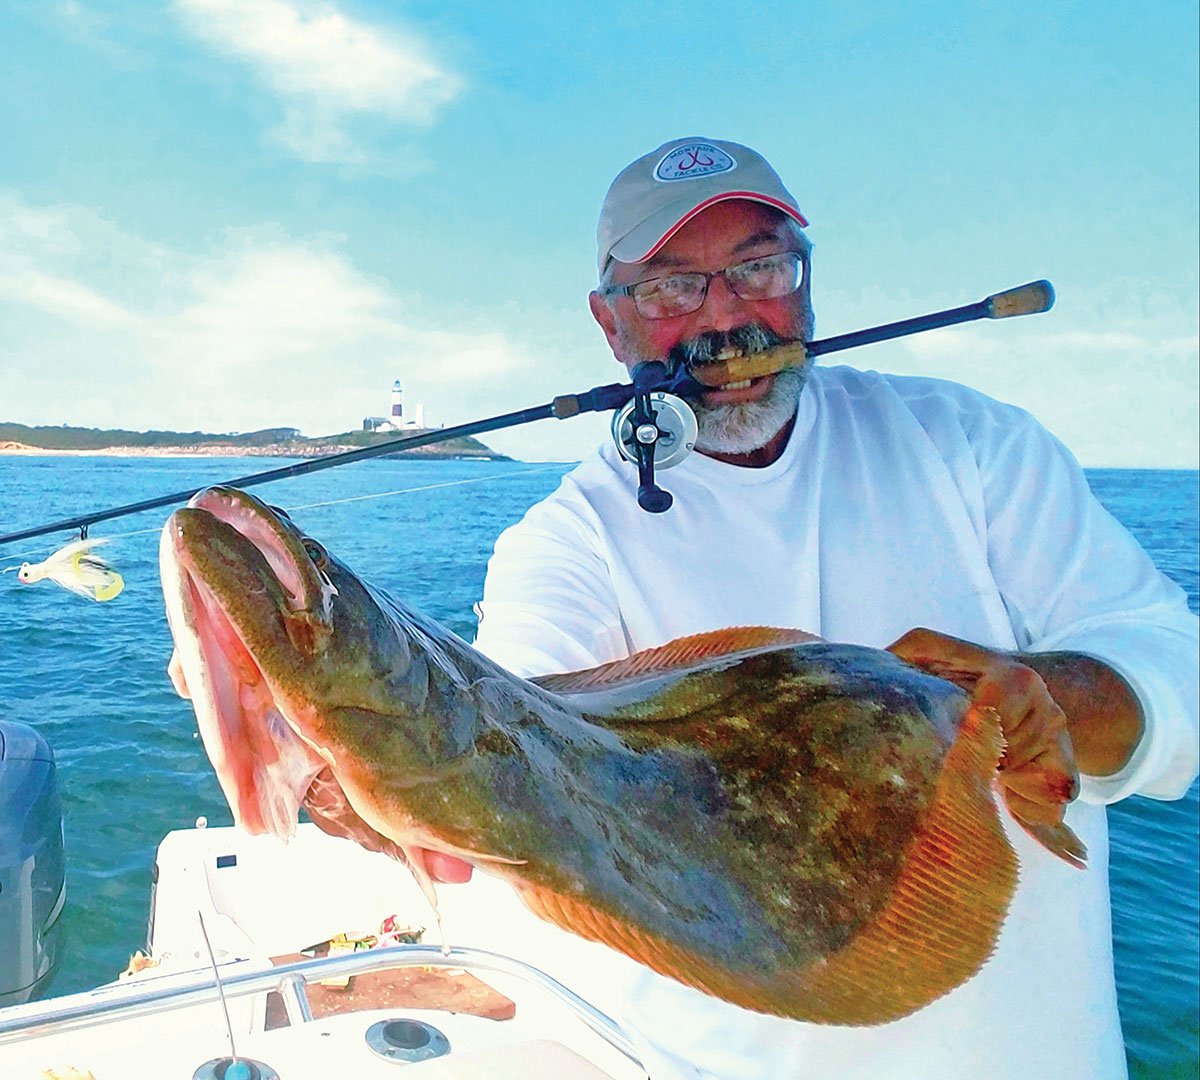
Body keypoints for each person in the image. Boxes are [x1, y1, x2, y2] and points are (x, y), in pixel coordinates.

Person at [468, 137, 1199, 1079]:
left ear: (806, 284)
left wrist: (1055, 700)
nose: (725, 317)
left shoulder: (969, 443)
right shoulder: (569, 538)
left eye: (760, 266)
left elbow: (1168, 655)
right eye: (670, 287)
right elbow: (506, 723)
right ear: (611, 325)